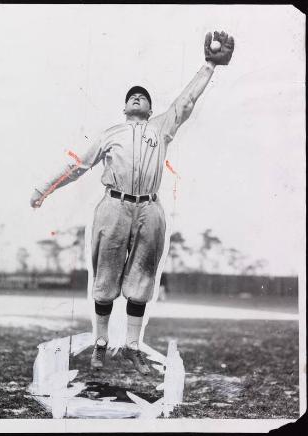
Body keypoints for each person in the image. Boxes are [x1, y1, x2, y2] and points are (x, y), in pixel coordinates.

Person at [30, 31, 235, 375]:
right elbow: (77, 166)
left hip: (149, 208)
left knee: (142, 281)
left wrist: (210, 65)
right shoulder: (111, 133)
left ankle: (132, 346)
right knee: (106, 278)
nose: (137, 98)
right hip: (114, 205)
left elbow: (185, 103)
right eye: (132, 97)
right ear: (125, 108)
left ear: (151, 108)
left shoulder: (161, 128)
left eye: (143, 97)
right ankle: (99, 344)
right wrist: (44, 189)